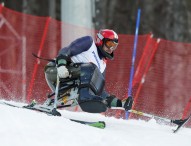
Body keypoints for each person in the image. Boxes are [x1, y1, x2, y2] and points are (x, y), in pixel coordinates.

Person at [44, 29, 133, 112]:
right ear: (101, 40)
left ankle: (87, 98)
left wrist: (119, 103)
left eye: (114, 46)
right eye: (109, 44)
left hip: (70, 83)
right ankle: (85, 97)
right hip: (56, 70)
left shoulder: (102, 65)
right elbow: (67, 50)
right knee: (91, 68)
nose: (111, 49)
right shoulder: (89, 43)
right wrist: (62, 65)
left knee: (96, 81)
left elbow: (99, 90)